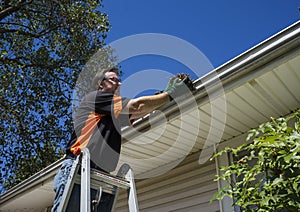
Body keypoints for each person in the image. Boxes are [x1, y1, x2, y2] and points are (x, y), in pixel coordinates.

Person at [51, 67, 191, 211]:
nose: (119, 84)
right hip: (78, 168)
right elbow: (137, 106)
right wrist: (171, 94)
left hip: (99, 176)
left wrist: (164, 96)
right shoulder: (96, 98)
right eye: (114, 80)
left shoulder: (113, 113)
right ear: (101, 84)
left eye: (119, 80)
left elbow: (141, 111)